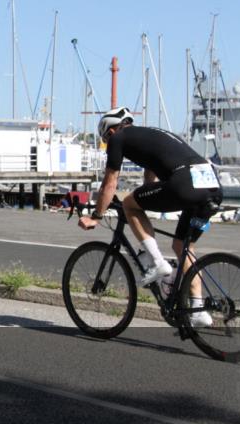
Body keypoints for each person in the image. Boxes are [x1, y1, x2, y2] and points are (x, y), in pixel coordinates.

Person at [79, 107, 220, 327]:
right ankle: (198, 309)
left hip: (185, 183)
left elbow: (110, 182)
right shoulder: (151, 134)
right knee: (183, 246)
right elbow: (150, 178)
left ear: (112, 130)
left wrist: (96, 216)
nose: (108, 143)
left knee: (128, 204)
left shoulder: (119, 138)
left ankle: (158, 263)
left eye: (106, 138)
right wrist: (146, 199)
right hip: (212, 185)